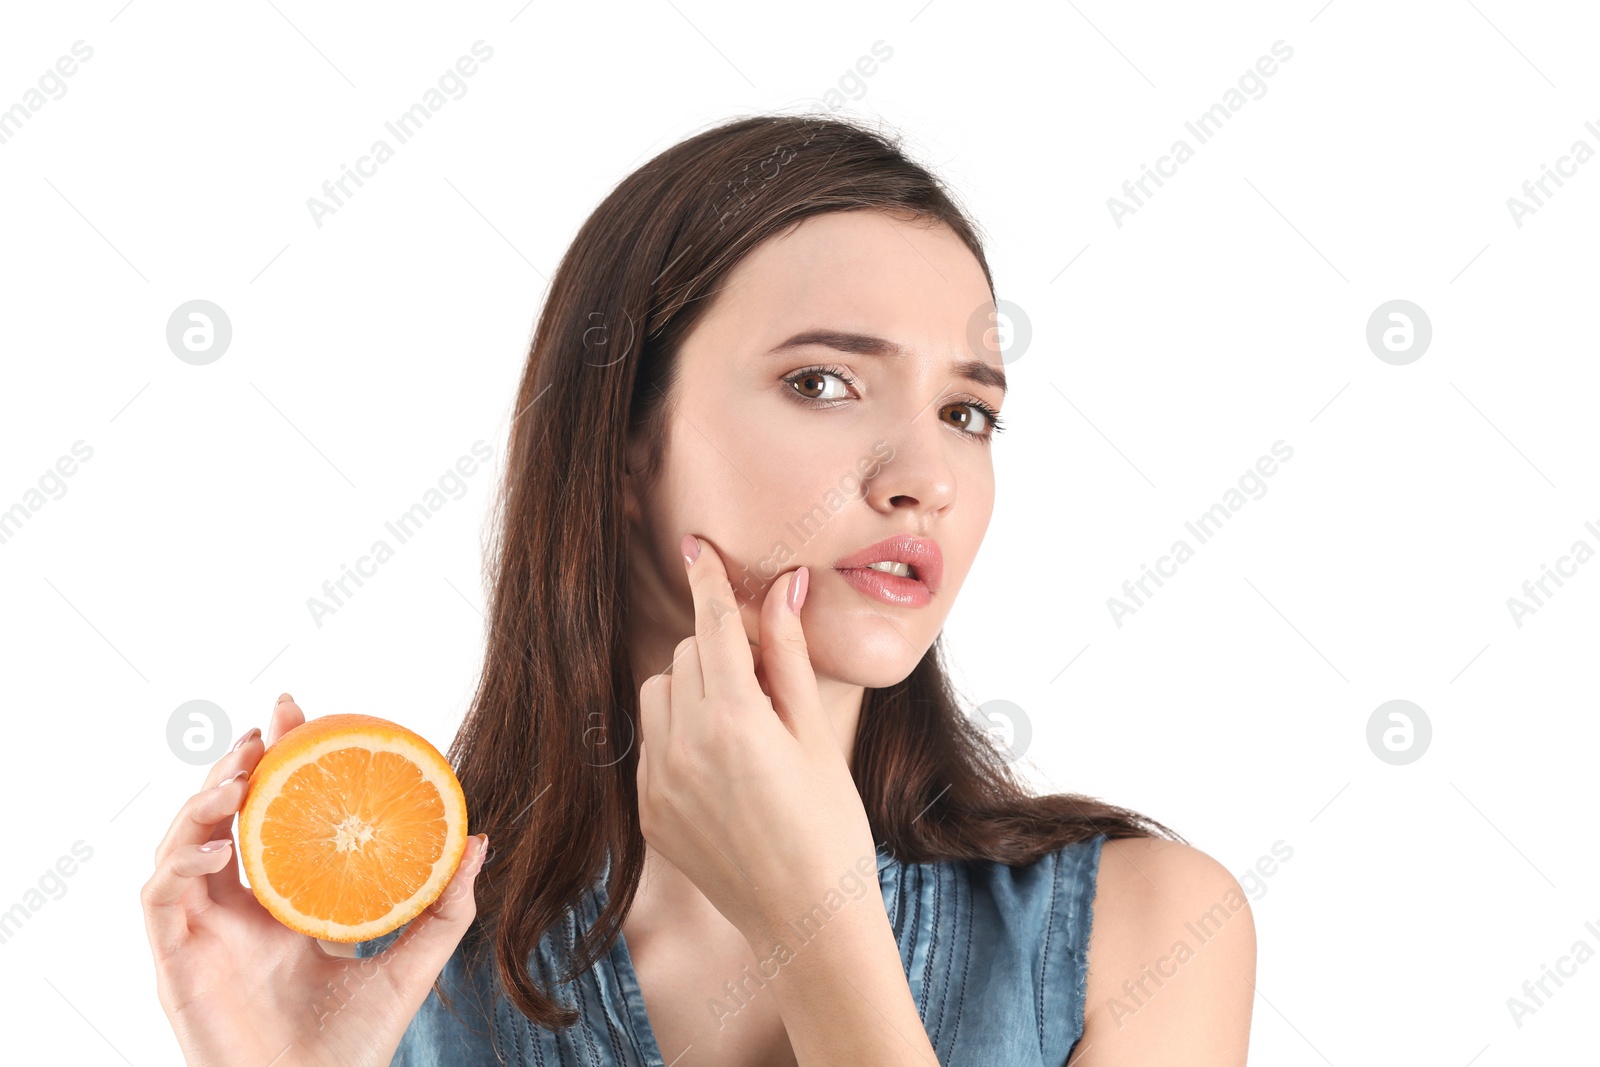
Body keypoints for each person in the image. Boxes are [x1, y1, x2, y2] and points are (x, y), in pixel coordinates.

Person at [143, 113, 1255, 1066]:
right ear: (627, 443)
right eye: (824, 382)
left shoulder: (1144, 929)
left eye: (967, 411)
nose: (925, 479)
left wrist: (818, 923)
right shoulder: (376, 968)